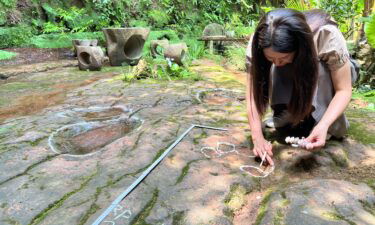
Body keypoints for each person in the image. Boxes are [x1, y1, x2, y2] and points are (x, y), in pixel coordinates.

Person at [245, 8, 357, 165]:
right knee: (278, 67)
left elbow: (343, 90)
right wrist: (257, 137)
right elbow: (252, 95)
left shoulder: (327, 36)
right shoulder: (258, 42)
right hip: (296, 78)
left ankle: (323, 121)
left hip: (327, 77)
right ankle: (290, 113)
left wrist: (324, 125)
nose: (276, 63)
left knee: (320, 70)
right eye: (270, 58)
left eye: (283, 57)